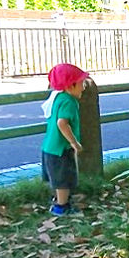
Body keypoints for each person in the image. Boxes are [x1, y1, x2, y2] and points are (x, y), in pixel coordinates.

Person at [41, 63, 89, 216]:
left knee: (58, 176)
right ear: (70, 86)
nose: (84, 87)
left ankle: (59, 200)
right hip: (60, 148)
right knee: (63, 179)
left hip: (50, 147)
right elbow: (62, 123)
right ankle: (61, 207)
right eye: (81, 83)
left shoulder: (57, 97)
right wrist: (74, 142)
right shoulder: (69, 101)